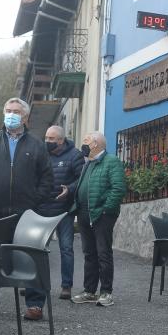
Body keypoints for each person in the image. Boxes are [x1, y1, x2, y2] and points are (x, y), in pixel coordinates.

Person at [0, 97, 53, 320]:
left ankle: (35, 304)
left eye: (16, 111)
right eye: (8, 110)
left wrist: (33, 201)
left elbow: (47, 179)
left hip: (26, 214)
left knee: (30, 256)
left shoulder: (37, 145)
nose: (11, 114)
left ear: (25, 117)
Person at [69, 131, 125, 308]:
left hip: (102, 215)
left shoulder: (112, 161)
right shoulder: (89, 163)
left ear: (95, 144)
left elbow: (118, 188)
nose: (83, 144)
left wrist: (105, 210)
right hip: (85, 214)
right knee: (89, 254)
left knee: (103, 253)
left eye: (86, 141)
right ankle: (89, 291)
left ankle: (106, 292)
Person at [39, 125, 84, 300]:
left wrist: (70, 189)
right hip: (43, 208)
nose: (47, 141)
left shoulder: (75, 155)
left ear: (61, 140)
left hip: (64, 210)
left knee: (66, 248)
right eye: (46, 138)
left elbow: (81, 178)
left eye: (51, 139)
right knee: (38, 248)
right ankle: (35, 284)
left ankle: (66, 286)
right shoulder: (41, 154)